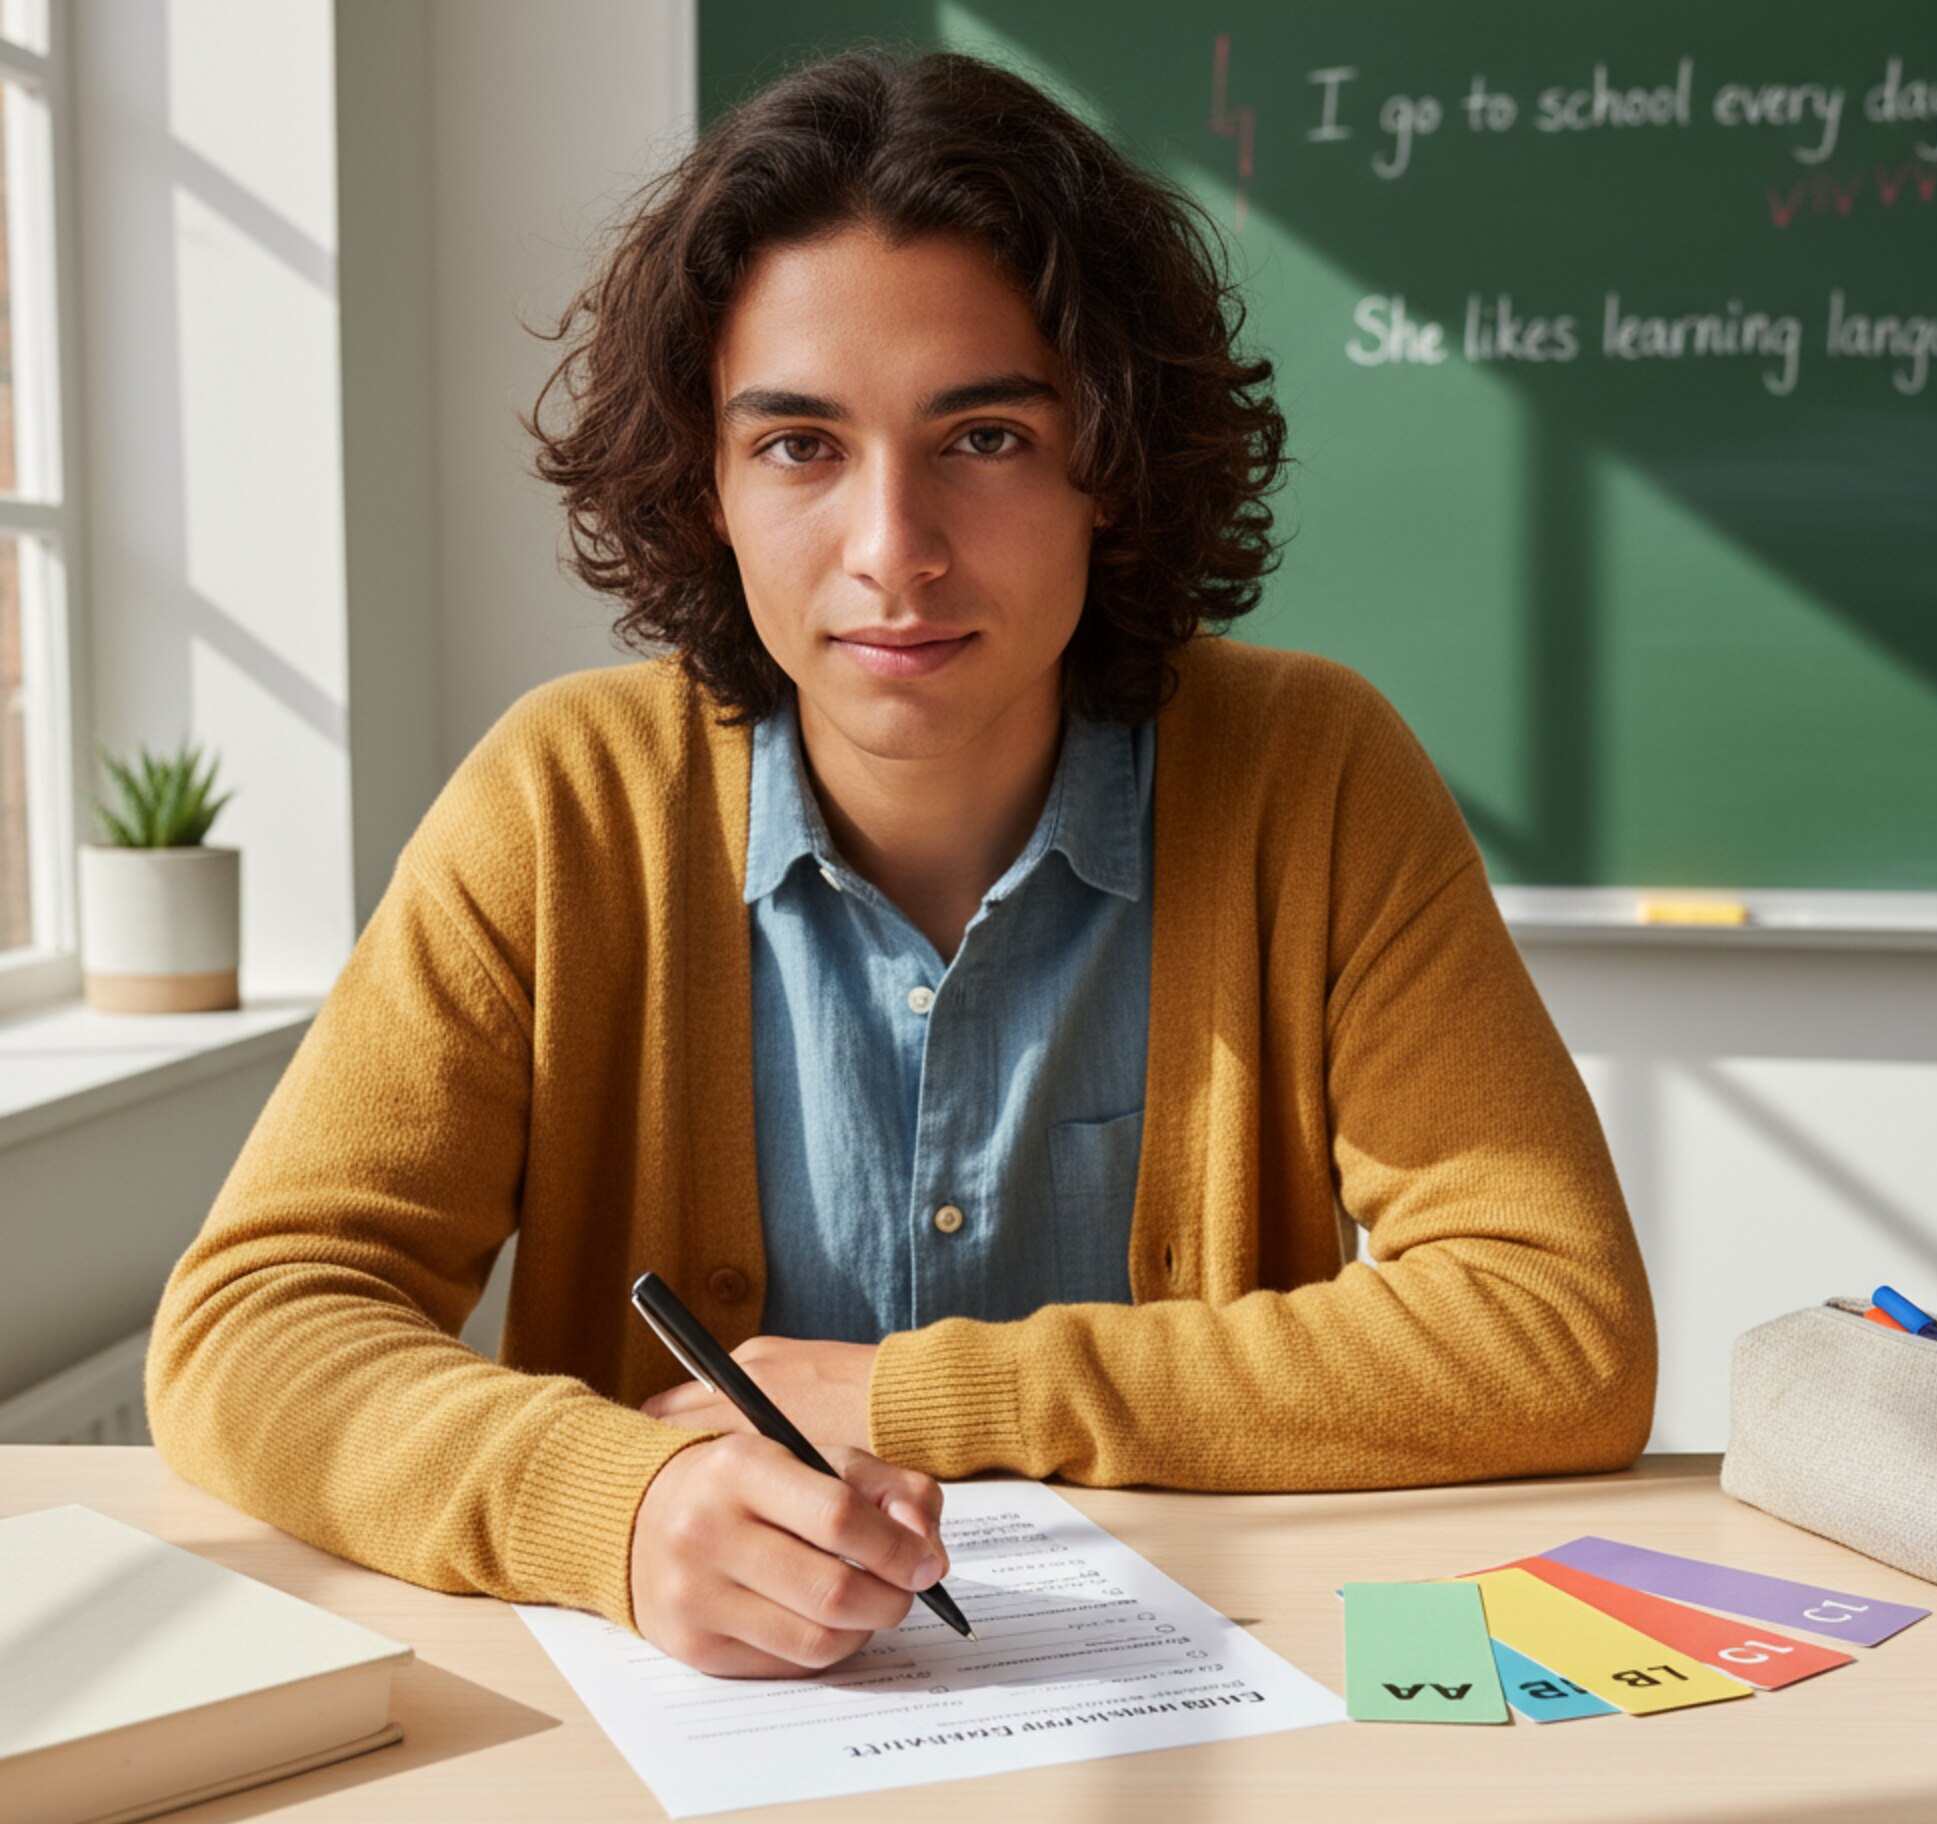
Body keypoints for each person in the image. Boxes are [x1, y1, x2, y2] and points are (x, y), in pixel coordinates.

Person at [146, 47, 1655, 1681]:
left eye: (986, 436)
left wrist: (921, 1396)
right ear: (705, 485)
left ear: (1111, 466)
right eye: (799, 446)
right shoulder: (563, 800)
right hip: (674, 1773)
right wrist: (624, 1509)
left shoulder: (1312, 774)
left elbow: (1555, 1329)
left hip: (1186, 1734)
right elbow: (257, 1324)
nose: (891, 550)